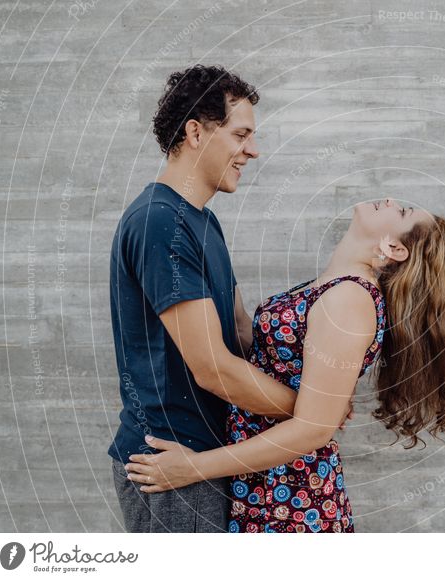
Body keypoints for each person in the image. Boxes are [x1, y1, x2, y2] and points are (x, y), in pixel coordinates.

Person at [123, 197, 445, 533]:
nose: (392, 200)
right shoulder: (331, 287)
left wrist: (193, 468)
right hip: (263, 481)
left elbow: (312, 430)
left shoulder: (350, 298)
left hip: (289, 494)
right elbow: (272, 355)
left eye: (404, 211)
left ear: (393, 248)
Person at [108, 64, 335, 532]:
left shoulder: (202, 222)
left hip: (208, 455)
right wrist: (311, 412)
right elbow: (213, 367)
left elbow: (240, 333)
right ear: (195, 132)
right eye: (240, 135)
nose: (252, 150)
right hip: (171, 461)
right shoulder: (160, 222)